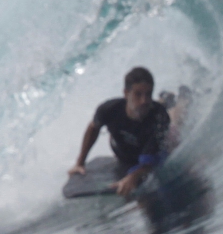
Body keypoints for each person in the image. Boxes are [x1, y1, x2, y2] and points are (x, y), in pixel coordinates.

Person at [70, 66, 172, 198]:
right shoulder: (109, 109)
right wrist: (80, 162)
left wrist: (133, 177)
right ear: (126, 93)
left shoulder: (159, 118)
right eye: (138, 94)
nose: (144, 100)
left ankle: (180, 100)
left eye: (148, 94)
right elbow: (93, 127)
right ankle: (164, 99)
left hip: (152, 153)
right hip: (123, 151)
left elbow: (149, 163)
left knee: (174, 121)